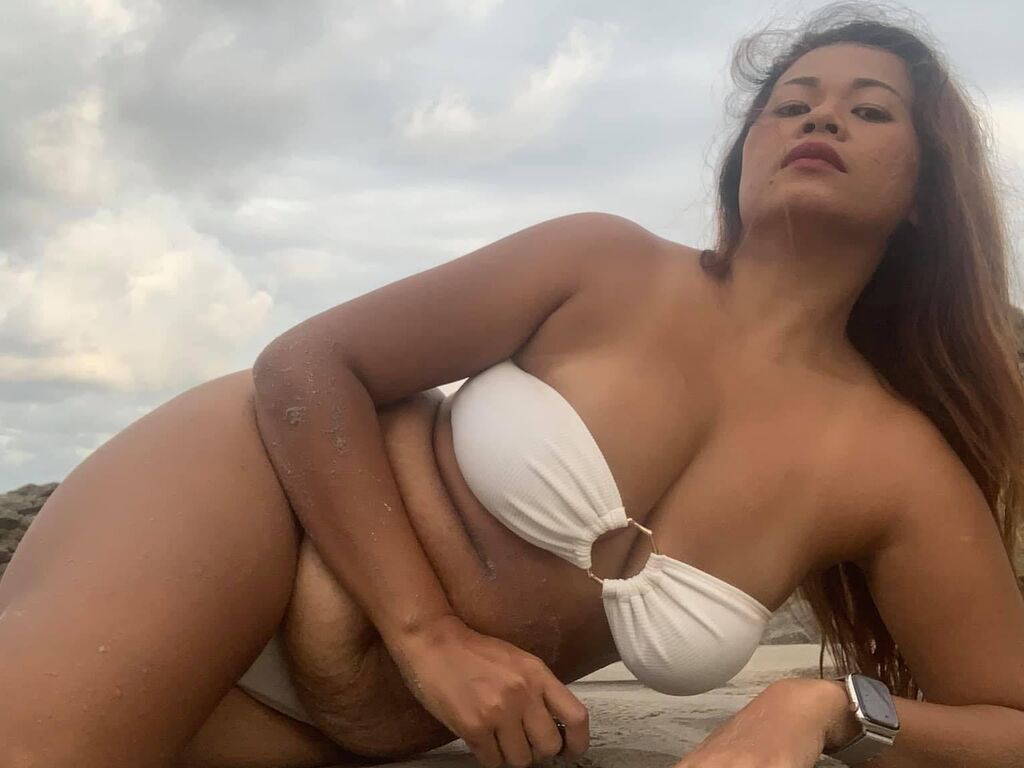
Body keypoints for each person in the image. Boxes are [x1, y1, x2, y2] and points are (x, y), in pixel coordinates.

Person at [3, 4, 1024, 767]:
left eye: (869, 109)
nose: (820, 117)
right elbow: (307, 366)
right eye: (789, 104)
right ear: (742, 162)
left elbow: (1008, 722)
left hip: (313, 729)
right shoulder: (605, 263)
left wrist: (825, 707)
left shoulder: (892, 466)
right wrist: (429, 636)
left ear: (926, 191)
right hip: (244, 502)